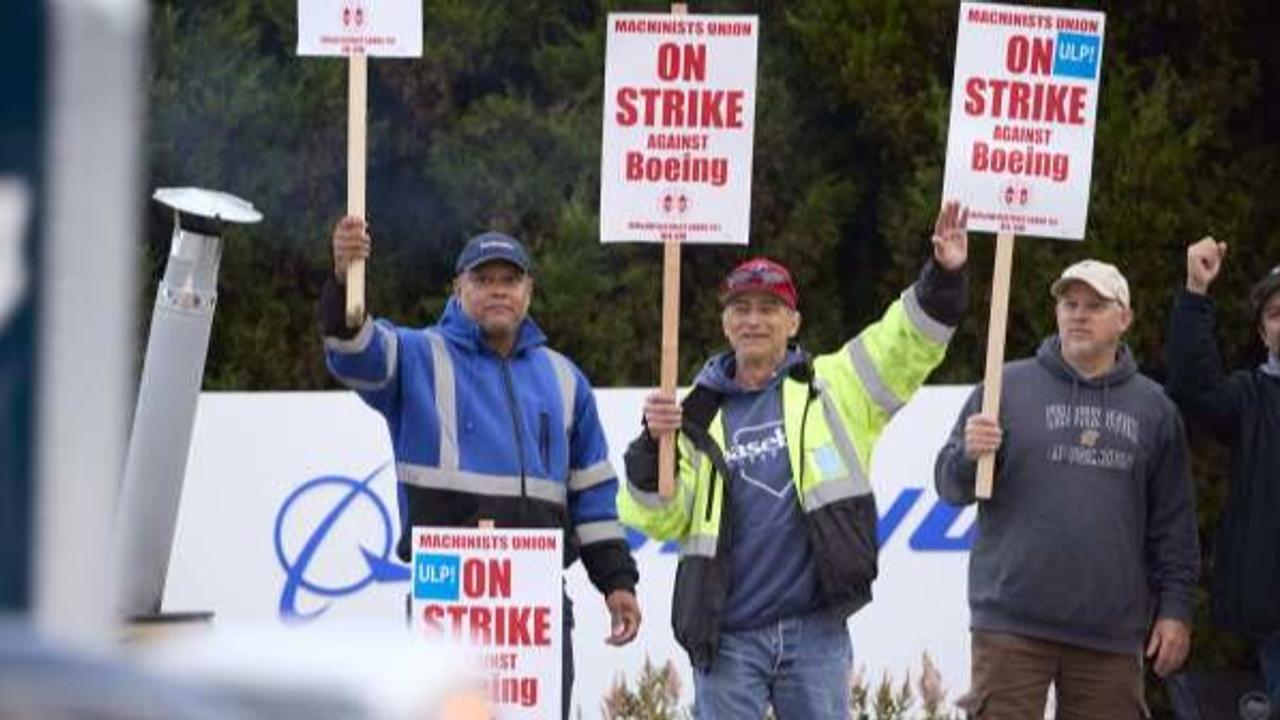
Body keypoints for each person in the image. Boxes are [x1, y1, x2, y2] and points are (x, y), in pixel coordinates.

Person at [619, 202, 971, 719]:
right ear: (725, 322)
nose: (754, 320)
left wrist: (944, 274)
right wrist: (651, 449)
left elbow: (908, 343)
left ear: (793, 321)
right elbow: (661, 518)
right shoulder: (691, 413)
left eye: (768, 308)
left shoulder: (836, 385)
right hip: (728, 638)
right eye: (742, 308)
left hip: (815, 633)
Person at [320, 217, 641, 719]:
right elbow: (352, 352)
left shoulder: (565, 379)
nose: (497, 291)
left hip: (536, 605)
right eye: (483, 280)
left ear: (528, 291)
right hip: (447, 597)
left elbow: (593, 497)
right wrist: (344, 278)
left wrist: (617, 582)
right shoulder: (415, 354)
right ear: (458, 289)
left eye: (509, 281)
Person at [935, 259, 1200, 719]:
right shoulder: (1003, 388)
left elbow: (1173, 524)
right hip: (1011, 626)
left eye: (1094, 305)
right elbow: (949, 486)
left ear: (1125, 318)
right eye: (1069, 303)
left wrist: (1176, 609)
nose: (1078, 314)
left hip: (1110, 637)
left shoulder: (1155, 410)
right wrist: (968, 457)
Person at [1165, 237, 1280, 715]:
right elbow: (1194, 390)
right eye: (1276, 313)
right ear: (1263, 332)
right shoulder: (1250, 396)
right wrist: (1196, 290)